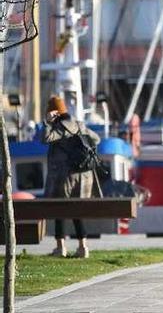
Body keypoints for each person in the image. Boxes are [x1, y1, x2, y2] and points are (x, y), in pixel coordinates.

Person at [40, 96, 101, 258]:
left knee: (60, 209)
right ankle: (83, 247)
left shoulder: (59, 127)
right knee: (77, 209)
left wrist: (46, 122)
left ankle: (61, 248)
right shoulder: (79, 125)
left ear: (53, 112)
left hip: (65, 176)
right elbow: (96, 139)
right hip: (84, 175)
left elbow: (45, 138)